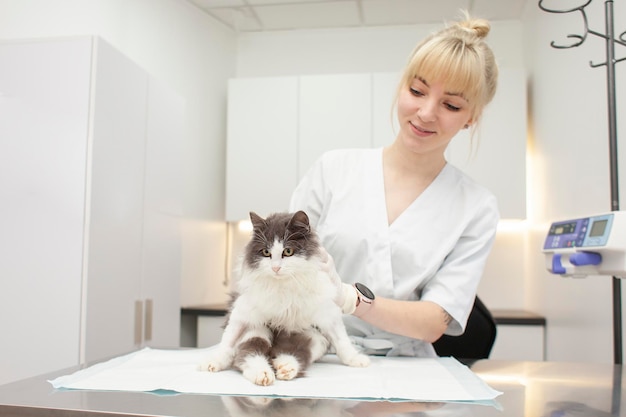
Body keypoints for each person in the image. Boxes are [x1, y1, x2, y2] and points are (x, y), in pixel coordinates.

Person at [289, 12, 500, 357]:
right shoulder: (334, 170)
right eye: (417, 91)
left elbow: (435, 321)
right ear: (402, 86)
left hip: (406, 370)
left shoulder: (476, 206)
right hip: (312, 351)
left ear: (471, 117)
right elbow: (283, 263)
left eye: (450, 104)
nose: (427, 112)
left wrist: (347, 298)